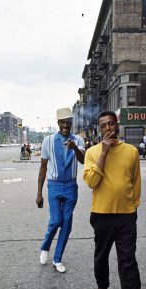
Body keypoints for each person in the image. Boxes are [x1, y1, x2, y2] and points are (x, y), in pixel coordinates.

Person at [83, 110, 146, 289]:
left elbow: (136, 181)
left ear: (117, 125)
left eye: (111, 124)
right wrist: (103, 152)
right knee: (101, 256)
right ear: (99, 129)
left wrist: (134, 205)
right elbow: (91, 181)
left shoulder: (131, 151)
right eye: (103, 126)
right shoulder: (91, 152)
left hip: (127, 215)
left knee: (128, 261)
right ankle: (102, 286)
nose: (108, 128)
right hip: (101, 215)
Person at [36, 108, 85, 273]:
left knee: (67, 223)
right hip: (54, 185)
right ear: (58, 123)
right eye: (62, 122)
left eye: (68, 121)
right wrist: (39, 193)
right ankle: (45, 247)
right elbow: (43, 167)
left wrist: (75, 148)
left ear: (72, 122)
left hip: (71, 186)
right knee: (56, 220)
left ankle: (57, 259)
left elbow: (83, 160)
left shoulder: (78, 139)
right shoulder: (48, 141)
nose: (65, 125)